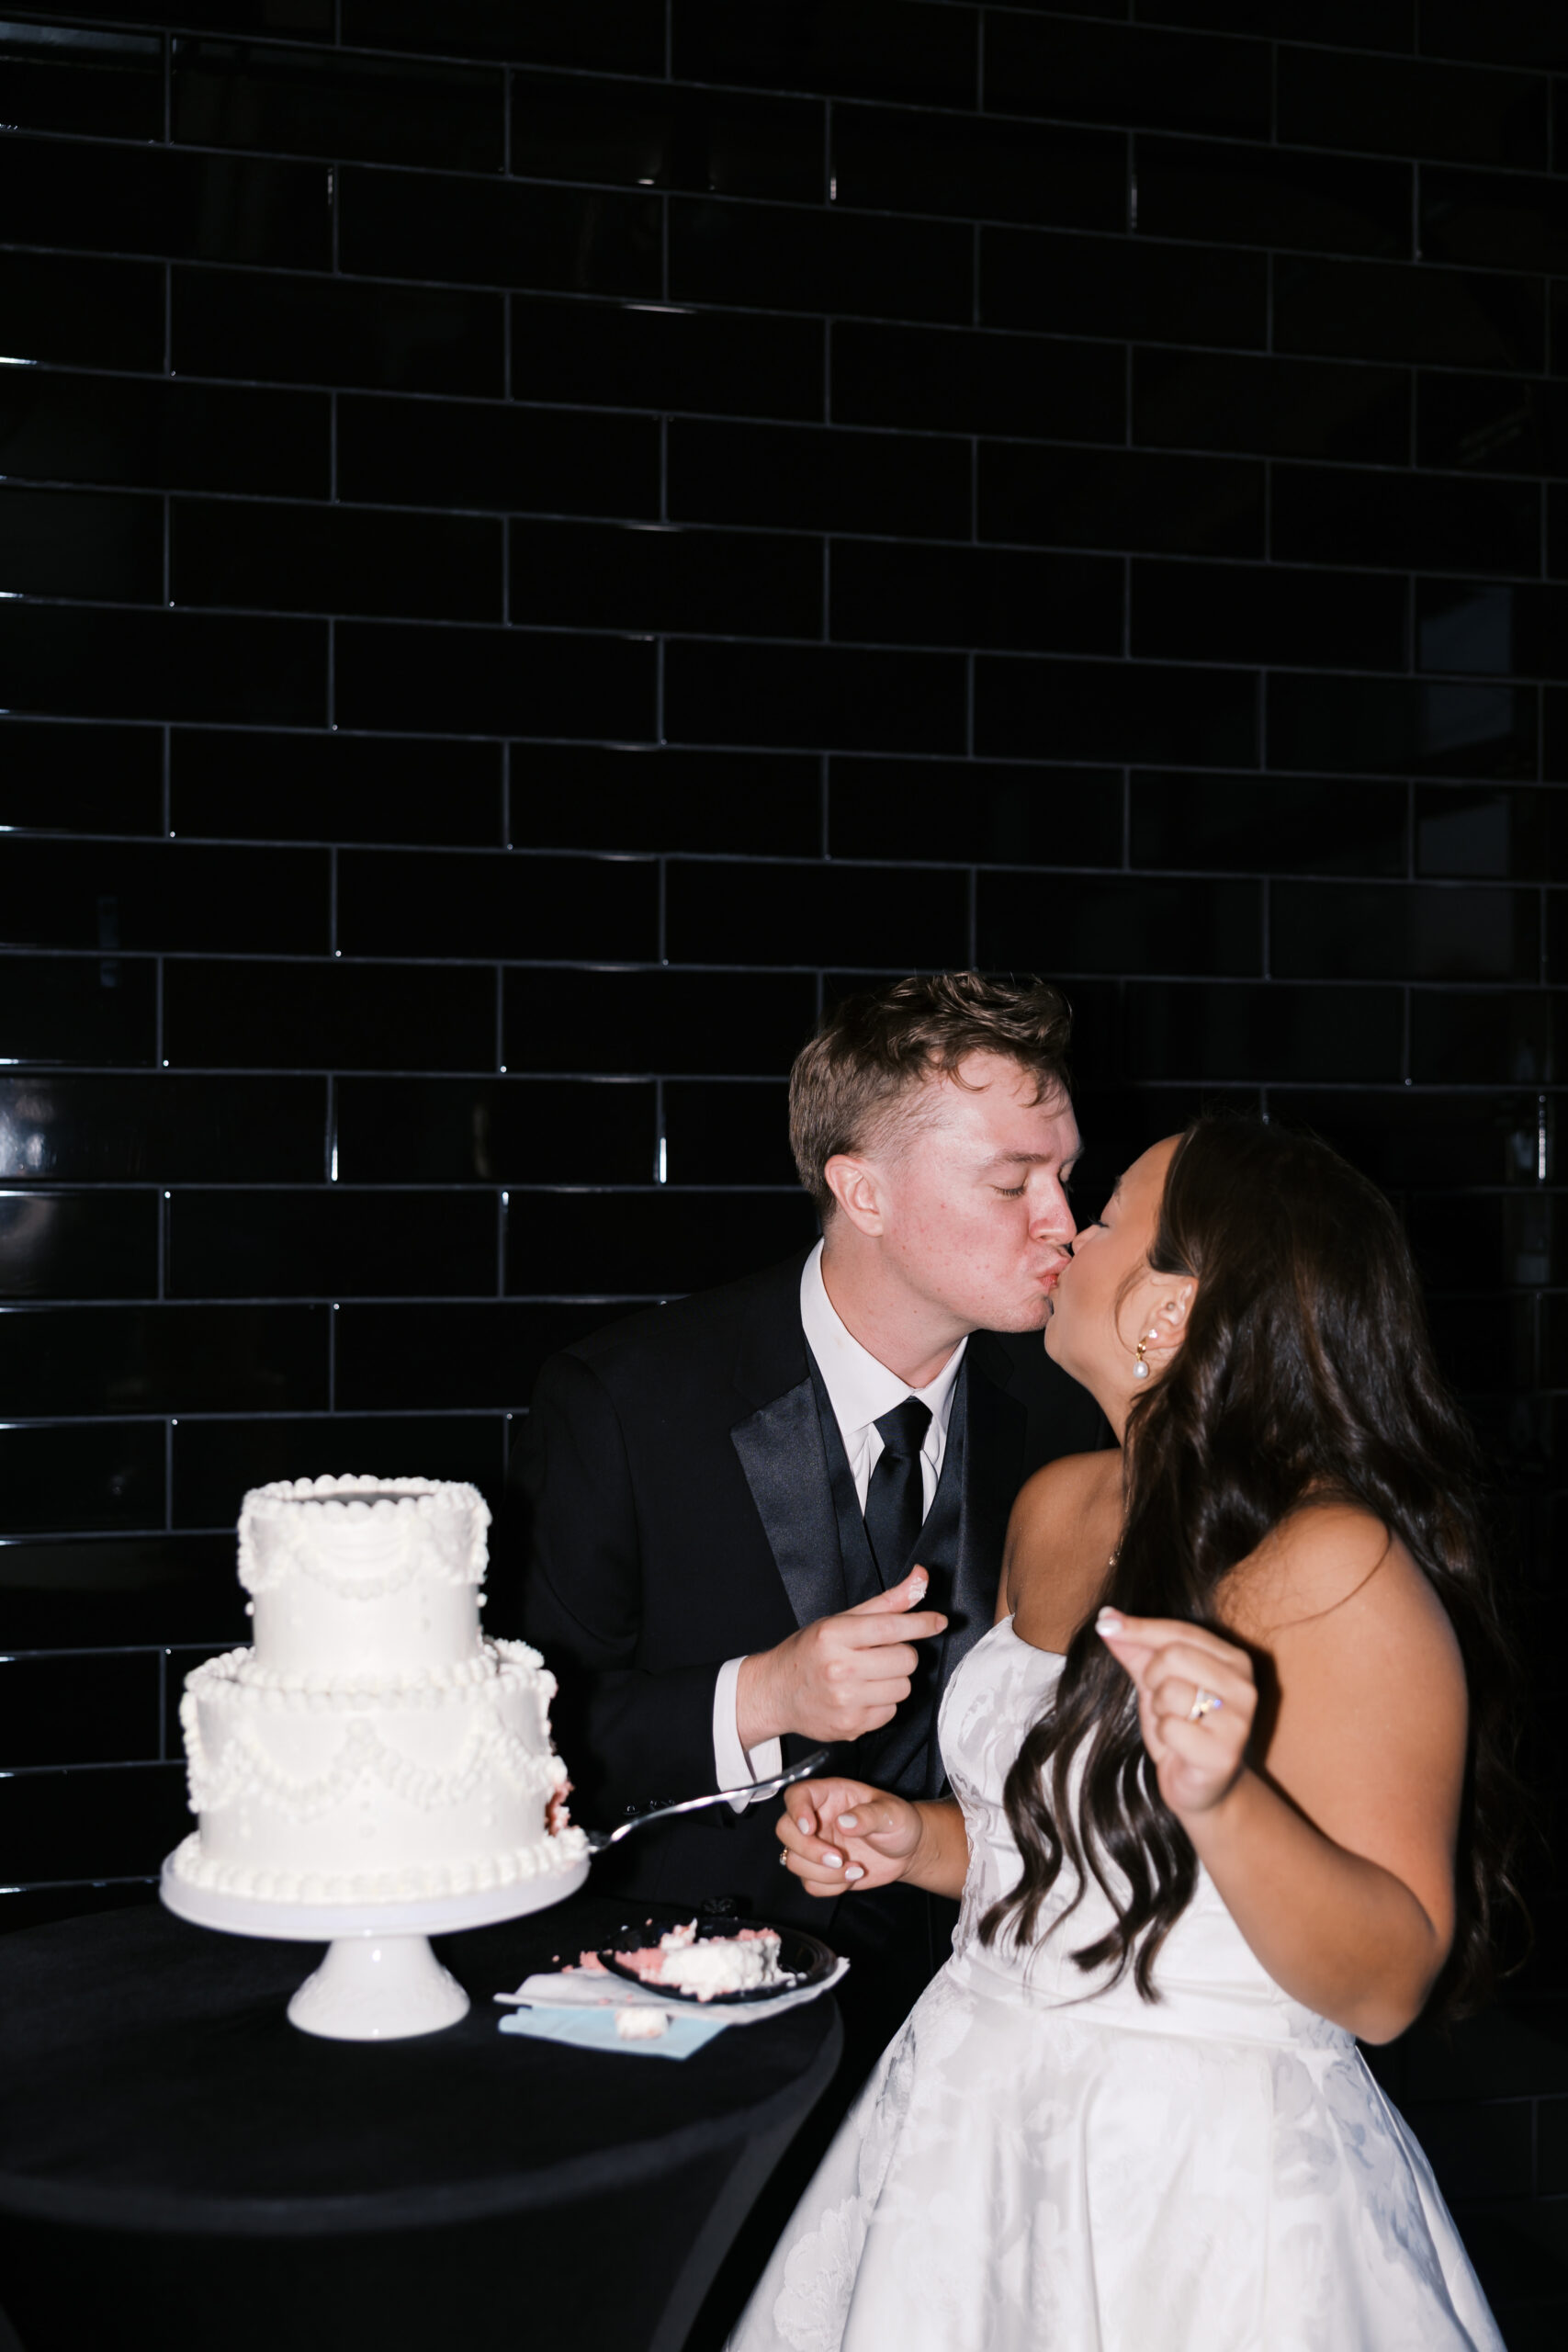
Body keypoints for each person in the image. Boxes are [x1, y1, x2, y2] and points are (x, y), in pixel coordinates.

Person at [732, 1116, 1522, 2352]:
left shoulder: (1331, 1564)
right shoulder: (1056, 1505)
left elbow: (1384, 1981)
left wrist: (1224, 1797)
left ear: (1169, 1314)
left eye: (1100, 1218)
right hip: (964, 2121)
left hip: (1196, 2171)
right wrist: (917, 1840)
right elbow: (1056, 1857)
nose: (1060, 1228)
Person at [513, 972, 1104, 2073]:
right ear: (862, 1191)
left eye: (1064, 1175)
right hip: (694, 2028)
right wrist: (763, 1695)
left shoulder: (1078, 1410)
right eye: (1013, 1180)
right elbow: (524, 1747)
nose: (1063, 1220)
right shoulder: (629, 1402)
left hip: (1003, 2034)